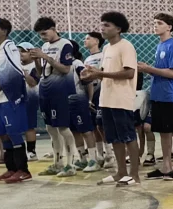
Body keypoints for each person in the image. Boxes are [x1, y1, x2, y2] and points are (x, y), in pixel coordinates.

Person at [81, 12, 140, 186]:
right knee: (113, 137)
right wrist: (92, 74)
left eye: (107, 25)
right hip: (106, 99)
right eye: (102, 24)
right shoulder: (107, 48)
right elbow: (104, 72)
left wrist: (101, 73)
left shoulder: (126, 46)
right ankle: (121, 172)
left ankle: (134, 175)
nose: (102, 28)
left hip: (121, 99)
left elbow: (129, 73)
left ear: (118, 29)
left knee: (128, 136)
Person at [134, 13, 173, 180]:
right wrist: (149, 70)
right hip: (159, 94)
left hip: (170, 95)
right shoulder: (160, 46)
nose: (155, 25)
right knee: (164, 131)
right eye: (155, 22)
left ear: (169, 27)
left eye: (160, 23)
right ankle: (166, 166)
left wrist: (148, 69)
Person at [29, 18, 81, 176]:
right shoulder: (45, 46)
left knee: (63, 127)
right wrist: (37, 60)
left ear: (53, 28)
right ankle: (57, 163)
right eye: (40, 34)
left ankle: (70, 164)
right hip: (46, 89)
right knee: (50, 127)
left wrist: (45, 56)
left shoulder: (65, 44)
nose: (42, 37)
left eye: (44, 33)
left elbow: (65, 69)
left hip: (60, 90)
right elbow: (41, 73)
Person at [0, 18, 32, 183]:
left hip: (11, 96)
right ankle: (11, 168)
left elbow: (15, 73)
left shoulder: (9, 47)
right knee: (2, 133)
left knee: (13, 132)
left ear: (4, 31)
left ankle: (23, 170)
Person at [82, 31, 108, 169]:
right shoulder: (86, 60)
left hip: (103, 92)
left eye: (88, 38)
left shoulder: (103, 56)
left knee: (102, 125)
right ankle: (100, 155)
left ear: (97, 41)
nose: (85, 40)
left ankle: (110, 154)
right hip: (92, 94)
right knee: (94, 126)